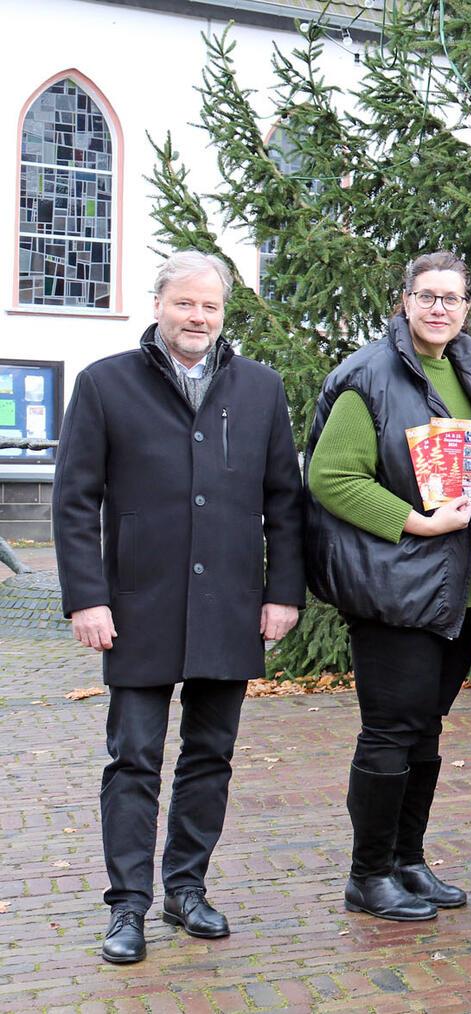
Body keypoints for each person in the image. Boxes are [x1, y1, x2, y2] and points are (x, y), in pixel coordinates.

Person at [52, 250, 305, 964]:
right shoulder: (106, 384)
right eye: (185, 304)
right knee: (133, 757)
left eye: (211, 307)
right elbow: (74, 502)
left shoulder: (260, 388)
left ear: (225, 314)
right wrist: (86, 599)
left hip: (229, 601)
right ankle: (126, 906)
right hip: (136, 604)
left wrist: (283, 591)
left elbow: (285, 499)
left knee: (210, 755)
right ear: (158, 303)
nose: (198, 318)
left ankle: (186, 888)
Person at [305, 251, 471, 921]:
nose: (440, 307)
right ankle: (368, 874)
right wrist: (414, 522)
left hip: (456, 591)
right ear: (405, 300)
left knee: (425, 732)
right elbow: (331, 477)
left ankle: (408, 861)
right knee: (390, 733)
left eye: (452, 297)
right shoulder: (371, 376)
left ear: (466, 307)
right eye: (428, 295)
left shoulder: (463, 370)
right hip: (396, 588)